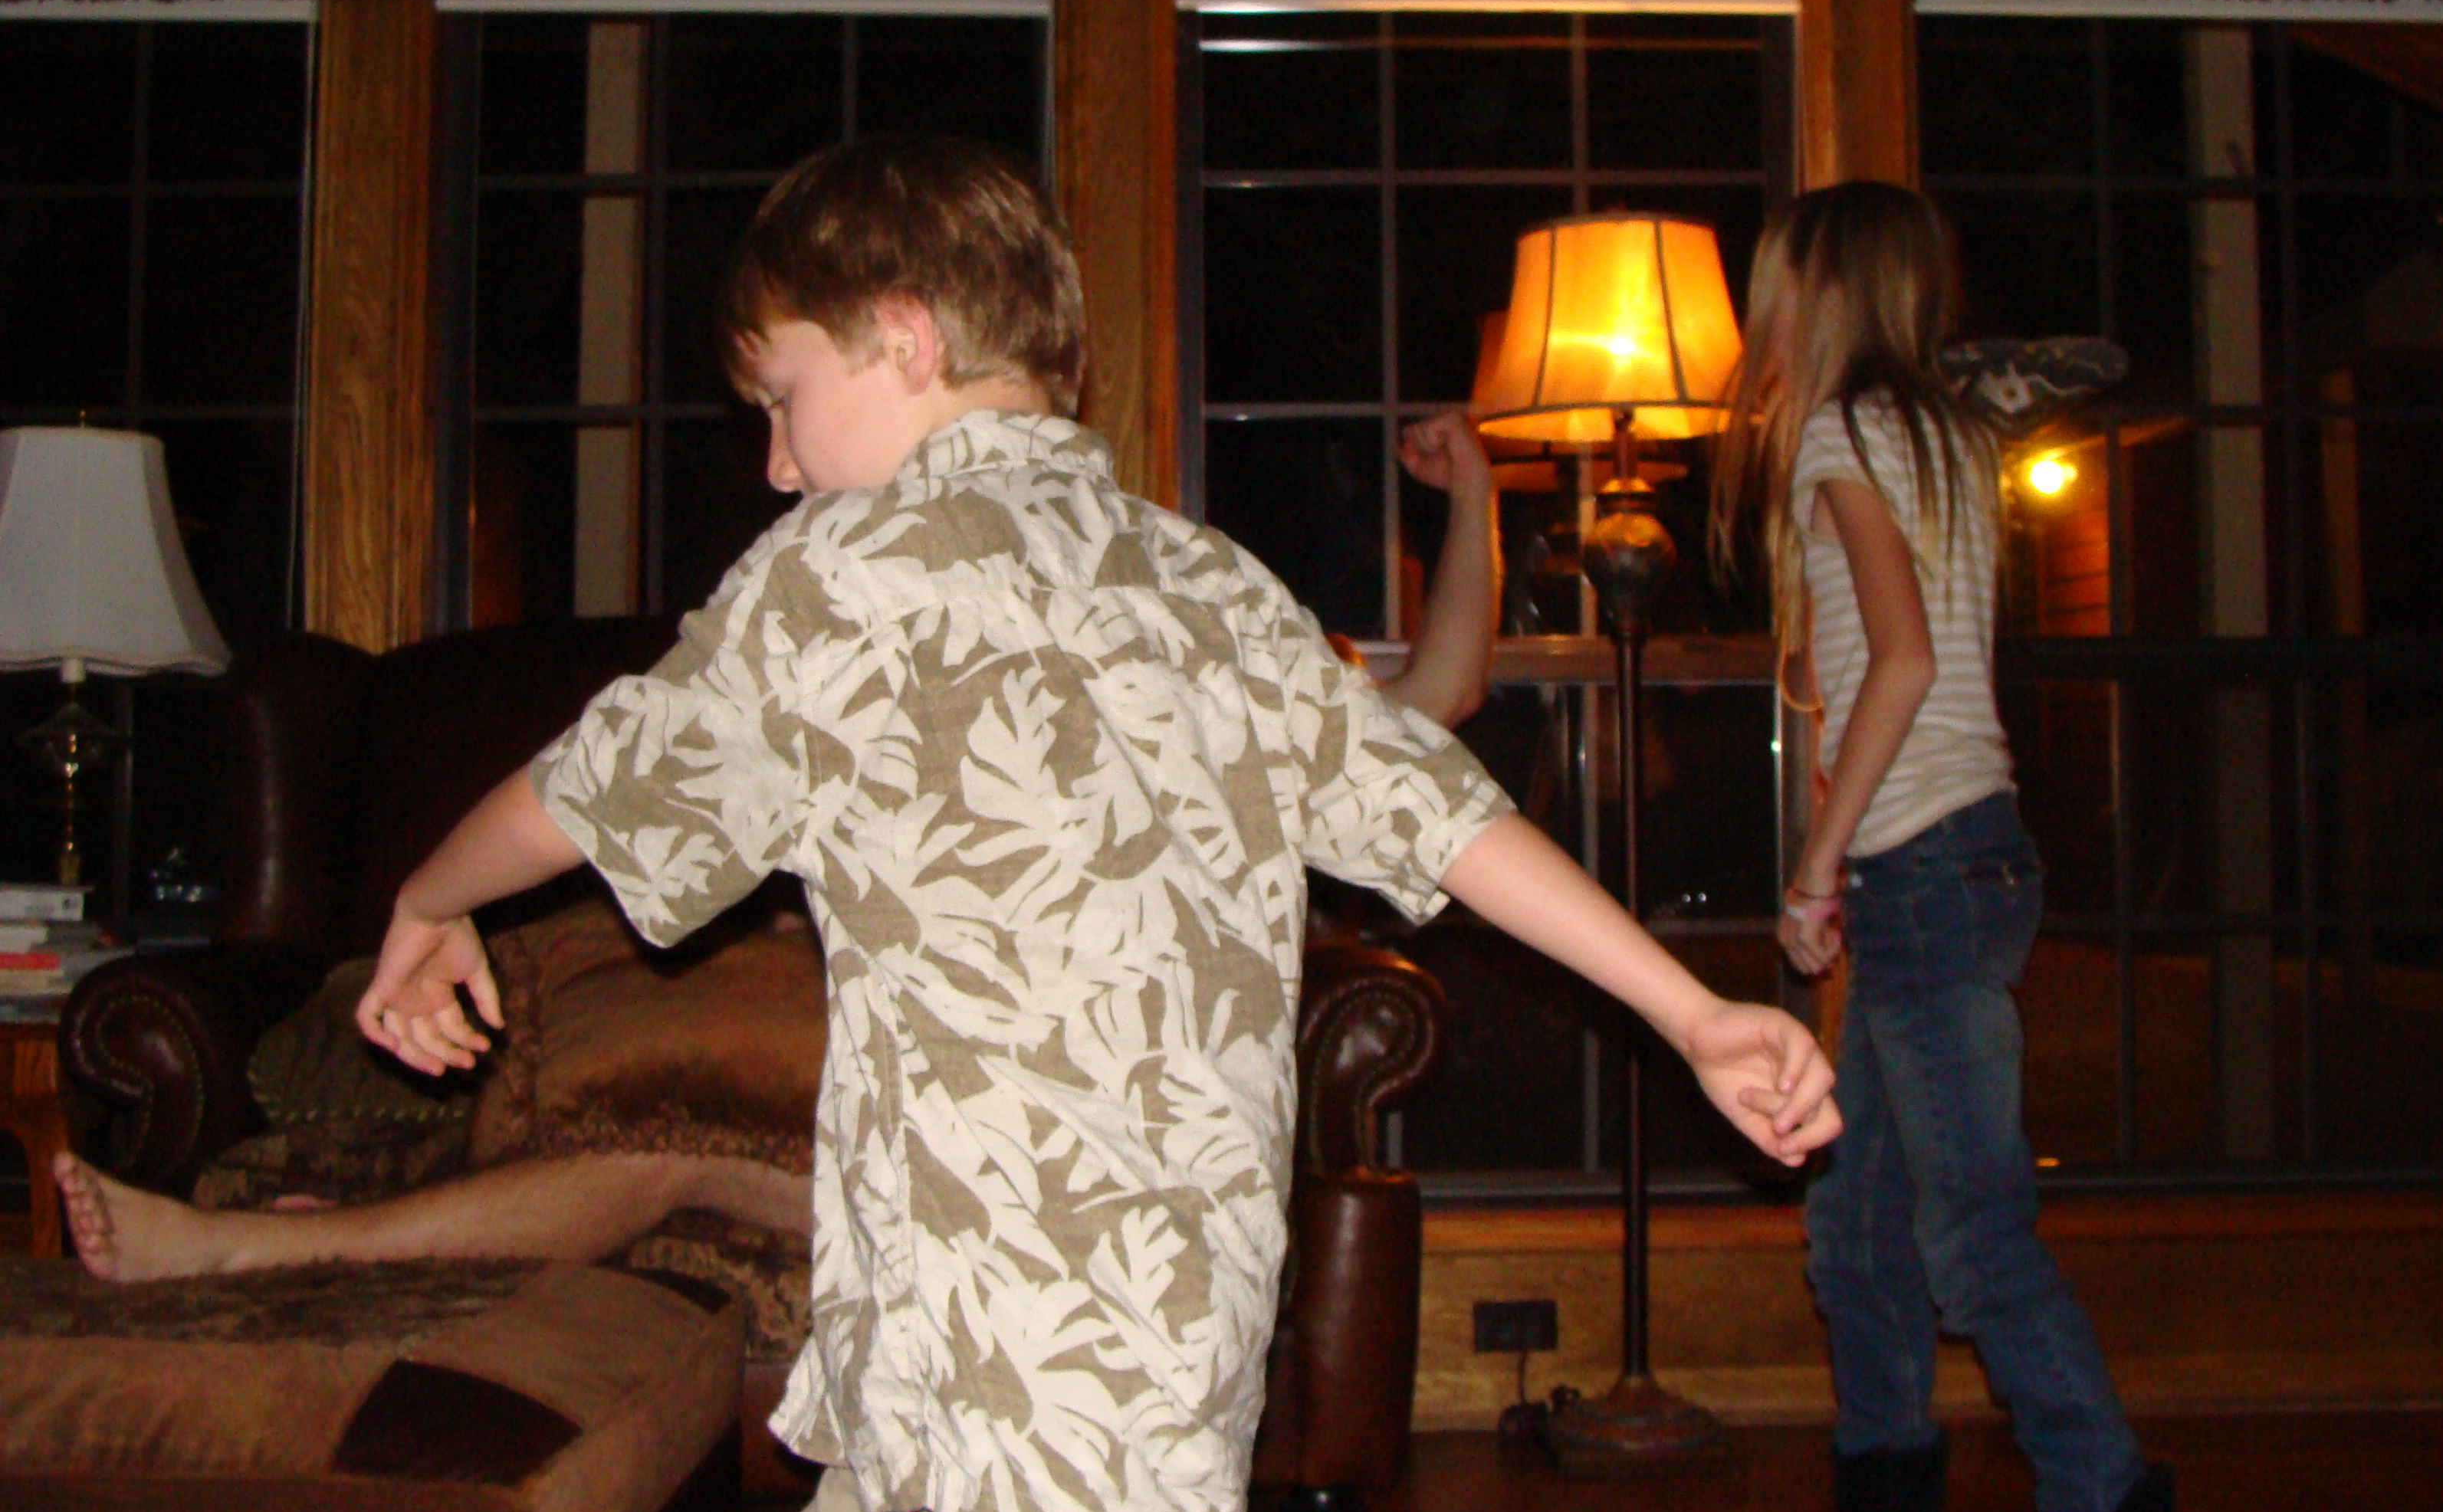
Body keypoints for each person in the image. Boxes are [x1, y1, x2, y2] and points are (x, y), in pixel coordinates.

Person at [82, 133, 1837, 1512]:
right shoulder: (1202, 580)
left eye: (784, 399)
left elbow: (583, 790)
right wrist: (1690, 1011)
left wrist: (430, 896)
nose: (776, 460)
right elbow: (1447, 817)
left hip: (1065, 1407)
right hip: (970, 1373)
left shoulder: (838, 577)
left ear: (904, 340)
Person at [50, 408, 1498, 1288]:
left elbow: (1435, 710)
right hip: (876, 1049)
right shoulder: (865, 628)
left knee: (665, 1166)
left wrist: (1478, 499)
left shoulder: (1215, 636)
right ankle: (346, 1224)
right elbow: (624, 788)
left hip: (1071, 1139)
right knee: (643, 1105)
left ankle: (270, 1246)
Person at [1706, 182, 2180, 1512]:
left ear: (1820, 293)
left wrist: (1816, 863)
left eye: (1779, 287)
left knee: (1972, 1241)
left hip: (1919, 866)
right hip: (1969, 857)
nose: (1763, 316)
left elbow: (1902, 663)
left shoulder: (1842, 433)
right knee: (1858, 1235)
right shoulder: (1952, 435)